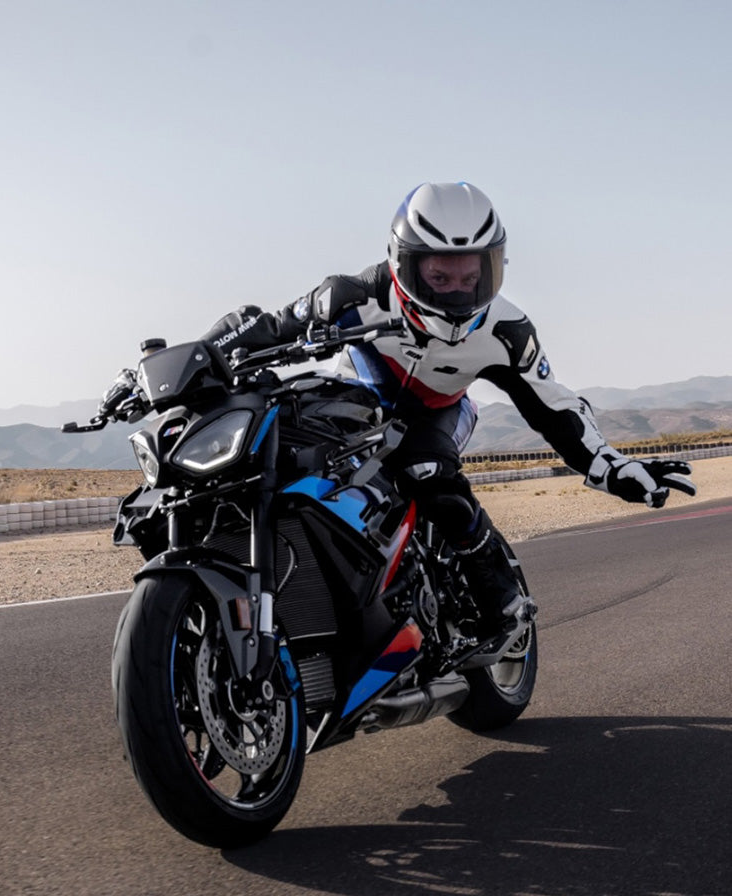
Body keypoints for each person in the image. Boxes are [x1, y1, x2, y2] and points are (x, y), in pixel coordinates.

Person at [196, 182, 696, 635]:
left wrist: (615, 468)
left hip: (441, 412)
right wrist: (192, 362)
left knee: (427, 469)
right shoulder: (348, 295)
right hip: (359, 405)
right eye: (439, 276)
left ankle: (498, 592)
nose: (457, 290)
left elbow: (555, 410)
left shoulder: (505, 330)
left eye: (470, 276)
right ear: (403, 263)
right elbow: (268, 327)